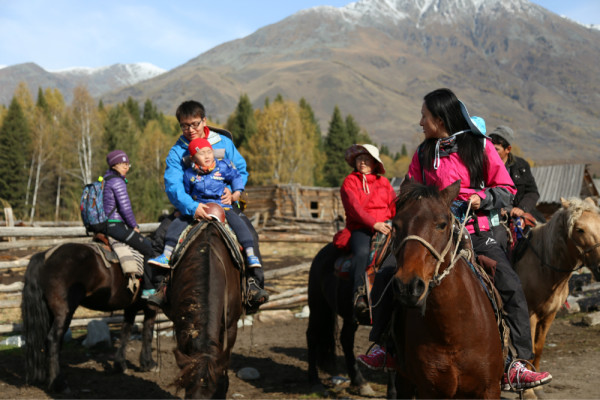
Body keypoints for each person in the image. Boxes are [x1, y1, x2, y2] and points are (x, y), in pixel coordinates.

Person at [357, 88, 552, 391]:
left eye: (424, 116)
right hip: (431, 232)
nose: (420, 122)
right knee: (387, 273)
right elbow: (409, 188)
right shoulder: (424, 152)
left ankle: (518, 363)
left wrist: (481, 198)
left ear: (440, 117)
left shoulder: (480, 147)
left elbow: (506, 188)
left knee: (511, 285)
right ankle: (386, 348)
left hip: (475, 230)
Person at [148, 100, 268, 308]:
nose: (190, 129)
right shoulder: (177, 152)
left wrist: (234, 191)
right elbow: (173, 185)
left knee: (249, 234)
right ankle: (163, 288)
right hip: (192, 205)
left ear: (204, 121)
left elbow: (240, 169)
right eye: (184, 125)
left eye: (194, 123)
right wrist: (191, 207)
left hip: (225, 203)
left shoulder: (223, 143)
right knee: (159, 238)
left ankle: (252, 284)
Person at [150, 138, 262, 268]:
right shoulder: (189, 174)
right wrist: (184, 207)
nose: (207, 156)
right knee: (176, 225)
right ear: (193, 158)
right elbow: (186, 191)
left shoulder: (224, 166)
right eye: (201, 153)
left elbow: (236, 177)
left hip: (222, 207)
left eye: (209, 151)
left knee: (240, 225)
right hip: (199, 207)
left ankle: (250, 255)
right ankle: (167, 255)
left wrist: (236, 193)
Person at [337, 144, 395, 320]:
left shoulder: (384, 183)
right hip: (361, 228)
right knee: (362, 253)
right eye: (359, 159)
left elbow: (393, 205)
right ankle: (359, 295)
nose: (361, 162)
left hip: (385, 227)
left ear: (374, 163)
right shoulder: (350, 181)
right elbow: (354, 208)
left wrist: (394, 222)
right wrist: (374, 224)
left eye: (366, 159)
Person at [102, 150, 157, 298]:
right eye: (123, 164)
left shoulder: (105, 180)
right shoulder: (117, 181)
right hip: (115, 225)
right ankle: (149, 289)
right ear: (114, 165)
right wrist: (134, 226)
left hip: (106, 224)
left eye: (127, 164)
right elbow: (125, 208)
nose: (126, 167)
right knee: (147, 247)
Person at [489, 125, 545, 251]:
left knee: (544, 233)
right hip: (496, 217)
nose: (492, 152)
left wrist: (521, 208)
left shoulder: (521, 166)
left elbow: (532, 192)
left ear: (508, 149)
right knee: (497, 240)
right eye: (490, 149)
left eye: (496, 149)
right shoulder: (485, 166)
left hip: (520, 213)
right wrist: (498, 209)